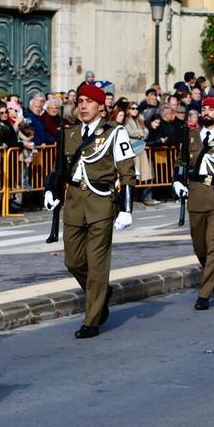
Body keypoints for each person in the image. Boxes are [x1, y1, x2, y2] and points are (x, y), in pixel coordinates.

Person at [43, 83, 137, 339]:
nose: (83, 106)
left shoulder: (114, 133)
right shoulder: (69, 134)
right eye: (80, 101)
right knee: (72, 261)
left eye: (89, 101)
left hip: (101, 203)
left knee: (97, 265)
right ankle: (101, 294)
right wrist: (51, 191)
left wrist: (127, 209)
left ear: (100, 106)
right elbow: (58, 169)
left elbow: (127, 171)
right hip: (73, 203)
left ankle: (92, 319)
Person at [173, 97, 214, 310]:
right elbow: (180, 163)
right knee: (199, 247)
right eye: (204, 109)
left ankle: (204, 294)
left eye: (211, 109)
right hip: (196, 196)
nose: (206, 112)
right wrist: (177, 181)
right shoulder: (190, 137)